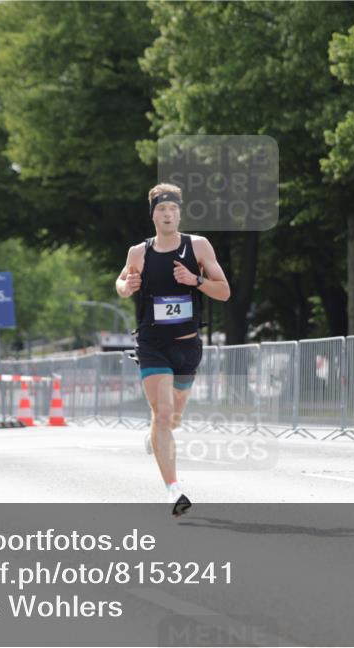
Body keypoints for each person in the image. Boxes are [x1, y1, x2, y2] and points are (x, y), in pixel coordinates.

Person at [115, 183, 230, 517]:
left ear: (180, 213)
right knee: (163, 414)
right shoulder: (139, 252)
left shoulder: (198, 247)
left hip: (187, 346)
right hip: (152, 344)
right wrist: (128, 286)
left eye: (173, 209)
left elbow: (224, 292)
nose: (167, 214)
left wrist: (194, 281)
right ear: (153, 214)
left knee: (174, 417)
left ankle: (159, 435)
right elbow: (122, 283)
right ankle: (172, 490)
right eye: (161, 209)